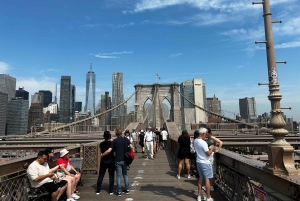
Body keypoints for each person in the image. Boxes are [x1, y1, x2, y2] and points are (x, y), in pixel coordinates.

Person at [100, 127, 134, 197]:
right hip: (125, 160)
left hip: (118, 160)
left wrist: (102, 154)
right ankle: (127, 189)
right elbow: (131, 147)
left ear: (116, 133)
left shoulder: (114, 141)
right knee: (125, 174)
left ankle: (119, 191)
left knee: (118, 176)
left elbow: (109, 150)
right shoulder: (126, 139)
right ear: (122, 133)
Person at [194, 127, 215, 201]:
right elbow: (208, 153)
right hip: (205, 162)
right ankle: (208, 197)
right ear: (202, 133)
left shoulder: (195, 140)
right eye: (206, 134)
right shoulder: (203, 142)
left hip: (198, 161)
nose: (206, 135)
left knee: (200, 179)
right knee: (207, 180)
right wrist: (212, 148)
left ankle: (199, 196)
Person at [96, 131, 115, 195]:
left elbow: (101, 152)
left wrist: (103, 155)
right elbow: (114, 152)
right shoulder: (112, 143)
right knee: (111, 176)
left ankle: (98, 190)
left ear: (104, 137)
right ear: (110, 136)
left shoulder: (101, 144)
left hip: (103, 160)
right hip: (111, 160)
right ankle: (111, 191)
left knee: (101, 175)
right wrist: (112, 140)